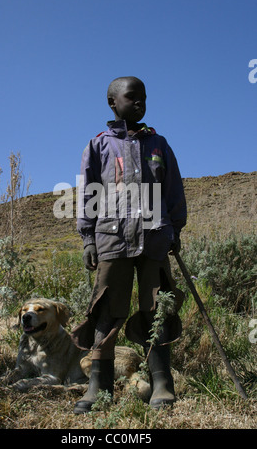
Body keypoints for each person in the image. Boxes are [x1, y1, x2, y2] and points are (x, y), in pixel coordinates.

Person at [72, 76, 187, 414]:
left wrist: (174, 230)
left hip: (154, 239)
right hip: (111, 240)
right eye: (132, 97)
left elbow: (174, 191)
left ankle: (161, 382)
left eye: (144, 98)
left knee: (158, 306)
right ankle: (99, 387)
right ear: (113, 103)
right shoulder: (98, 146)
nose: (140, 103)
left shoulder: (159, 145)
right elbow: (87, 194)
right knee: (105, 310)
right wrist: (88, 239)